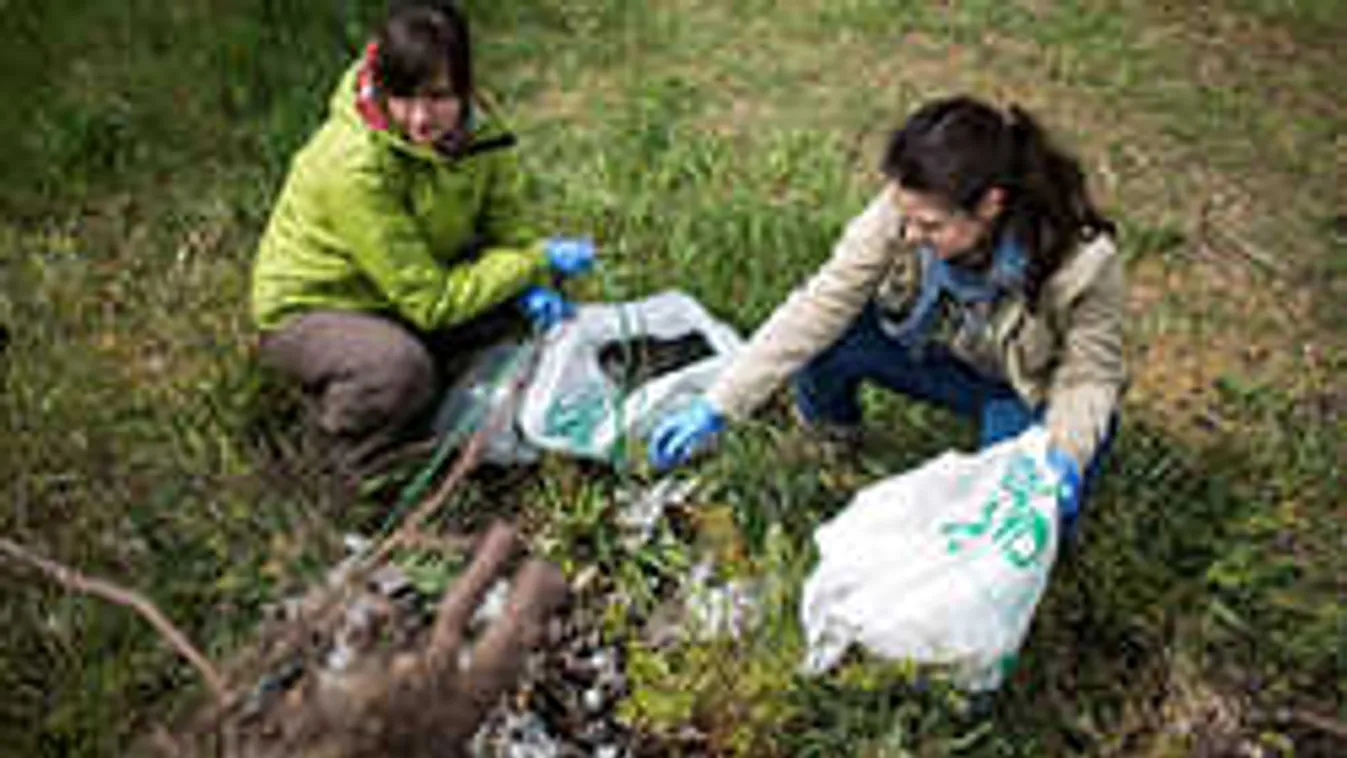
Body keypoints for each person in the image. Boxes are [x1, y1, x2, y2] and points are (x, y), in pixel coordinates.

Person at [648, 96, 1124, 533]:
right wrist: (720, 403)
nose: (910, 233)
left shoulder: (1080, 263)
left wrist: (1063, 457)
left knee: (1003, 513)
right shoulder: (906, 208)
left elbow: (1091, 379)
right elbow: (823, 302)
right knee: (835, 332)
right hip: (938, 357)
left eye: (930, 225)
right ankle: (832, 441)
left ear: (990, 205)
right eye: (906, 216)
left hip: (1022, 394)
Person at [251, 2, 595, 477]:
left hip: (405, 288)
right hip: (318, 308)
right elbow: (430, 303)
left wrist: (532, 280)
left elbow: (506, 226)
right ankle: (349, 478)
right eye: (403, 97)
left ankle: (458, 428)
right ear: (383, 86)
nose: (419, 119)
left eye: (437, 96)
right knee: (396, 371)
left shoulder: (479, 133)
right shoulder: (354, 164)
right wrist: (534, 260)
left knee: (531, 312)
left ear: (466, 87)